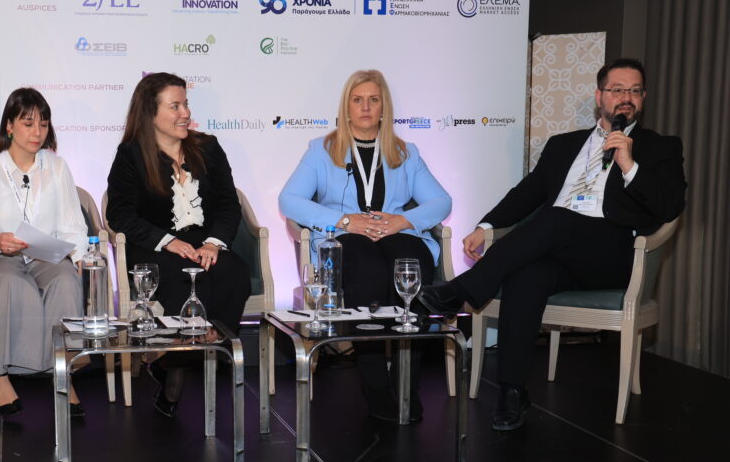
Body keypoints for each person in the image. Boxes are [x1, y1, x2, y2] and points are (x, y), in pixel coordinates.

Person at [419, 58, 687, 431]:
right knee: (527, 276)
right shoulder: (564, 145)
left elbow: (670, 207)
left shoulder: (660, 147)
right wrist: (486, 225)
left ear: (643, 98)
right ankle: (512, 391)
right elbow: (527, 193)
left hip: (613, 254)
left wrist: (629, 165)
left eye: (634, 90)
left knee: (559, 217)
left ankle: (463, 291)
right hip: (561, 251)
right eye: (617, 90)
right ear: (600, 96)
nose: (626, 97)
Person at [279, 69, 452, 422]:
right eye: (357, 100)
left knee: (409, 263)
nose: (366, 107)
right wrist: (344, 220)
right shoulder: (322, 150)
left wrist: (403, 220)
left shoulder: (405, 152)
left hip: (397, 235)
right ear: (346, 107)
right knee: (367, 269)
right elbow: (289, 200)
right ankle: (374, 387)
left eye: (373, 100)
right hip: (346, 238)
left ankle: (406, 385)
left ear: (384, 106)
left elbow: (442, 201)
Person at [106, 72, 251, 417]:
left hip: (204, 243)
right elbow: (119, 215)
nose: (185, 112)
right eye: (175, 106)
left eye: (185, 104)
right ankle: (177, 375)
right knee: (186, 280)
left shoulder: (208, 147)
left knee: (234, 273)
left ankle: (174, 362)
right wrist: (167, 241)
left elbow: (229, 205)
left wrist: (214, 244)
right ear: (150, 113)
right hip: (154, 247)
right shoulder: (131, 155)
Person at [0, 87, 89, 417]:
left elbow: (74, 226)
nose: (37, 132)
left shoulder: (57, 168)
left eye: (43, 124)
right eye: (28, 123)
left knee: (65, 279)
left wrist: (77, 257)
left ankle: (63, 373)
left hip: (42, 256)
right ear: (9, 126)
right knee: (10, 280)